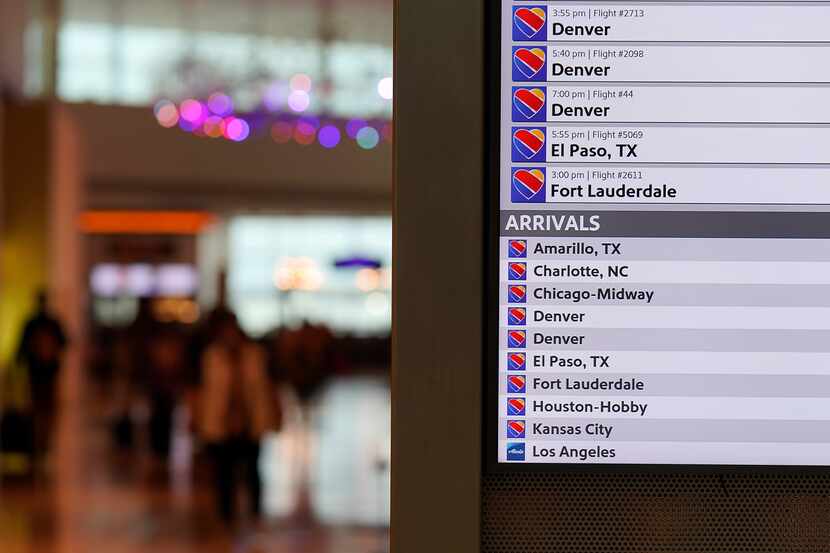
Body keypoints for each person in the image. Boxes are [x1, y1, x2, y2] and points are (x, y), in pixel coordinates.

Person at [196, 311, 279, 524]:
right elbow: (205, 391)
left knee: (252, 469)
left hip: (251, 422)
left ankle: (255, 511)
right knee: (224, 472)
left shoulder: (256, 355)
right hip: (221, 423)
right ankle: (226, 514)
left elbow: (267, 387)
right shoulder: (211, 356)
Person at [15, 290, 67, 461]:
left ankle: (41, 443)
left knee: (42, 411)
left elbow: (64, 343)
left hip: (43, 374)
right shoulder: (41, 323)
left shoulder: (39, 323)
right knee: (42, 411)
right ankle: (39, 444)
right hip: (39, 374)